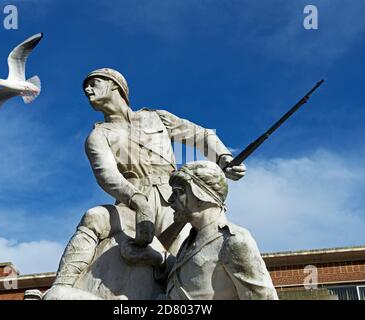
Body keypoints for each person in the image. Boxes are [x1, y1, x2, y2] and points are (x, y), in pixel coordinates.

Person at [52, 68, 247, 289]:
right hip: (131, 202)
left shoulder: (156, 118)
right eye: (86, 87)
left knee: (186, 253)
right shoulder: (98, 135)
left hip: (173, 201)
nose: (87, 89)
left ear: (115, 85)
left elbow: (201, 135)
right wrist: (136, 199)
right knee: (94, 216)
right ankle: (61, 287)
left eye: (94, 83)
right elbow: (106, 174)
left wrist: (223, 158)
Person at [121, 161, 278, 300]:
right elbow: (190, 275)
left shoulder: (233, 241)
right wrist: (157, 258)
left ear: (201, 195)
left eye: (178, 192)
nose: (170, 201)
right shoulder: (189, 243)